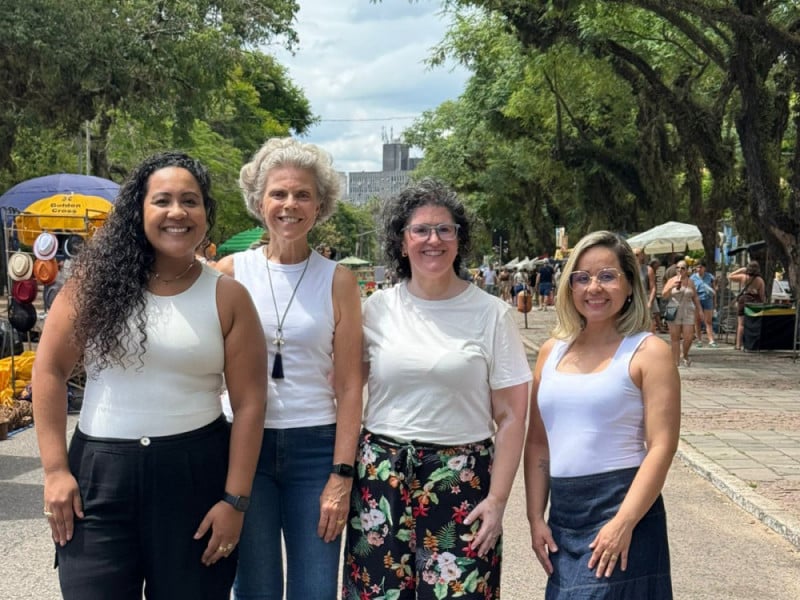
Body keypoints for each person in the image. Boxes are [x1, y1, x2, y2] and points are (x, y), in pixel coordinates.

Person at [32, 152, 268, 600]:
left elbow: (250, 402)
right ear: (138, 211)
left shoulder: (228, 297)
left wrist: (235, 501)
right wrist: (55, 470)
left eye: (190, 201)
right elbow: (49, 370)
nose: (177, 212)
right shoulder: (88, 286)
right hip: (98, 480)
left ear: (205, 213)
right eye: (162, 200)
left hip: (195, 481)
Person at [342, 179, 531, 599]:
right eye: (421, 230)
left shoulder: (492, 314)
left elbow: (513, 416)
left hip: (462, 482)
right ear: (402, 240)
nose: (434, 240)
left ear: (460, 240)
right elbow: (349, 392)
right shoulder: (376, 309)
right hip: (382, 478)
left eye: (446, 229)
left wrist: (498, 499)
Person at [214, 137, 363, 600]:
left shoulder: (339, 281)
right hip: (244, 446)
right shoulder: (231, 272)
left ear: (320, 205)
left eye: (302, 194)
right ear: (260, 202)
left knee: (315, 589)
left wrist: (342, 473)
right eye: (279, 193)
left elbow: (352, 384)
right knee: (254, 587)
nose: (290, 205)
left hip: (315, 449)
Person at [524, 230, 679, 599]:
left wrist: (624, 522)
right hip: (565, 517)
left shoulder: (648, 352)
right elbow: (538, 443)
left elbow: (662, 446)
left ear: (629, 285)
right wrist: (535, 517)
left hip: (624, 510)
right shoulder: (551, 352)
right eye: (583, 277)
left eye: (607, 276)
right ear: (570, 286)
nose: (594, 287)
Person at [662, 260, 704, 367]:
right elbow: (664, 295)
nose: (680, 270)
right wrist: (672, 287)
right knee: (675, 338)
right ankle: (675, 362)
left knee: (689, 336)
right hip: (674, 309)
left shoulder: (691, 282)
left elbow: (695, 297)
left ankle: (684, 355)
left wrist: (700, 310)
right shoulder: (671, 280)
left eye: (683, 268)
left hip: (688, 310)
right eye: (678, 268)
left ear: (687, 270)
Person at [727, 260, 766, 351]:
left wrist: (741, 270)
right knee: (752, 323)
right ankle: (750, 344)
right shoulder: (760, 281)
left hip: (743, 300)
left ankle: (738, 345)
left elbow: (730, 276)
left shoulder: (743, 277)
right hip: (754, 303)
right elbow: (762, 295)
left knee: (741, 324)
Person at [690, 261, 717, 347]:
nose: (699, 269)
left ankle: (711, 340)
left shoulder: (709, 276)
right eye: (697, 267)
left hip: (708, 299)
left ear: (704, 268)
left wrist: (715, 301)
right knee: (697, 321)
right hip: (697, 300)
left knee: (708, 321)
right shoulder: (692, 278)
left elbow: (714, 289)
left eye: (701, 267)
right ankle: (699, 340)